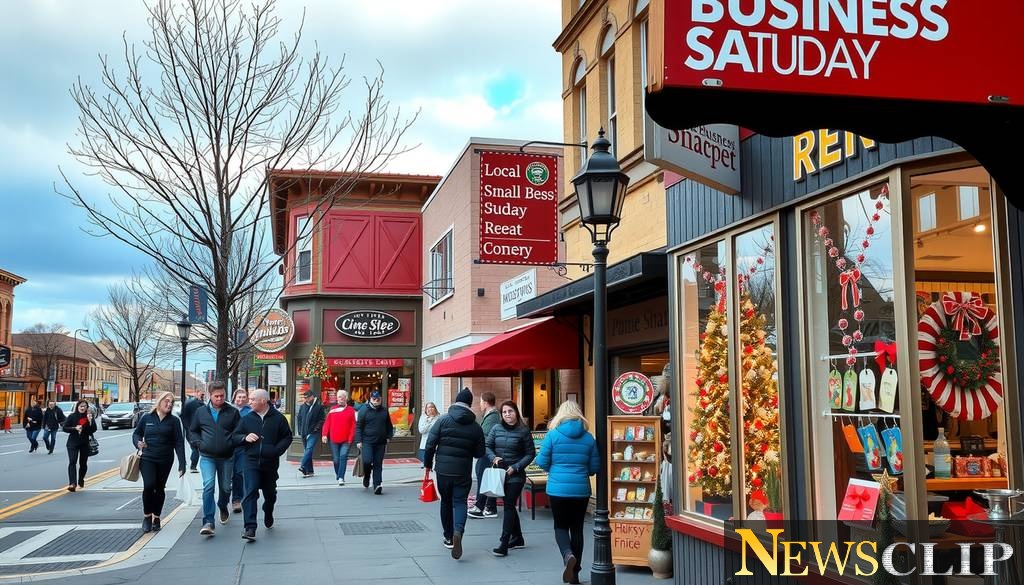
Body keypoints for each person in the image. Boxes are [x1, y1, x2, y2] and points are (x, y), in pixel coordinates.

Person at [535, 401, 600, 584]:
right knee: (577, 529)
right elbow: (594, 467)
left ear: (560, 415)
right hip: (580, 490)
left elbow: (541, 461)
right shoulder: (588, 438)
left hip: (557, 489)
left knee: (560, 526)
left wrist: (554, 469)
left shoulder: (553, 435)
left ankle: (567, 555)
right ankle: (575, 574)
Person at [424, 388, 485, 561]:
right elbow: (480, 453)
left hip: (443, 470)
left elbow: (430, 445)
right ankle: (459, 531)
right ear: (470, 404)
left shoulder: (443, 420)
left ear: (456, 401)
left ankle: (449, 537)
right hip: (462, 471)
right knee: (460, 502)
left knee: (446, 502)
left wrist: (428, 464)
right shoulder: (475, 426)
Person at [233, 389, 292, 542]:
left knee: (270, 493)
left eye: (252, 399)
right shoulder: (246, 418)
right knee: (250, 491)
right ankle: (250, 528)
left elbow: (287, 437)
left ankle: (268, 510)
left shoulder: (278, 418)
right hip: (250, 461)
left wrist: (275, 450)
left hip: (270, 462)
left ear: (263, 401)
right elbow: (235, 436)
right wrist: (245, 437)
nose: (249, 401)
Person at [188, 381, 242, 536]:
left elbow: (238, 431)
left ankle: (223, 505)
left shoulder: (232, 412)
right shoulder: (201, 412)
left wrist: (231, 442)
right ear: (210, 395)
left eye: (222, 396)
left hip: (226, 456)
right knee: (209, 486)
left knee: (225, 488)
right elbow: (193, 431)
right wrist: (198, 442)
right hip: (207, 456)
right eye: (216, 396)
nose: (220, 398)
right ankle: (208, 521)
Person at [485, 401, 536, 557]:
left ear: (516, 412)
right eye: (505, 412)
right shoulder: (496, 428)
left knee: (508, 505)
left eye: (510, 411)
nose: (507, 414)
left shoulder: (523, 431)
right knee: (510, 507)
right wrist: (493, 457)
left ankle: (504, 543)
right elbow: (487, 446)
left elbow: (530, 453)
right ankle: (518, 538)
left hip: (516, 475)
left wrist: (516, 467)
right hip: (500, 474)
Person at [133, 392, 186, 533]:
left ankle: (156, 517)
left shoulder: (174, 421)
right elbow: (136, 433)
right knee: (149, 486)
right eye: (167, 401)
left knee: (160, 488)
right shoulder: (146, 418)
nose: (169, 404)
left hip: (165, 459)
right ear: (159, 401)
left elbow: (179, 443)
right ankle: (147, 516)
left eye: (172, 402)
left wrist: (182, 463)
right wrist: (137, 443)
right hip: (148, 458)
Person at [355, 390, 393, 495]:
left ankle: (377, 485)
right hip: (367, 442)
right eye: (374, 399)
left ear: (381, 399)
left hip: (381, 442)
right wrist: (358, 440)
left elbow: (389, 425)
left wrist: (389, 436)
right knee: (367, 461)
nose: (376, 401)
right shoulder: (364, 410)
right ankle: (367, 476)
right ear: (370, 399)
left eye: (378, 399)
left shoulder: (384, 411)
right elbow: (358, 427)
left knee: (378, 464)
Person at [468, 391, 500, 519]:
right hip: (487, 452)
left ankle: (480, 507)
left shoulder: (492, 416)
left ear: (485, 403)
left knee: (483, 479)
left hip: (487, 452)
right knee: (488, 479)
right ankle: (491, 508)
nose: (480, 404)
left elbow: (484, 435)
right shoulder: (490, 415)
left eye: (481, 402)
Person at [62, 400, 97, 492]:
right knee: (72, 462)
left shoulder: (88, 417)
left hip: (84, 443)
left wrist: (90, 422)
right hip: (72, 443)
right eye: (81, 406)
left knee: (83, 464)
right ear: (77, 407)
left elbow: (93, 430)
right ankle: (72, 483)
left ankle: (81, 479)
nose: (82, 408)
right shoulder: (72, 416)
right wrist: (75, 428)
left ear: (87, 408)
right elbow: (65, 428)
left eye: (84, 406)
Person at [322, 390, 356, 486]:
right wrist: (324, 434)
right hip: (334, 439)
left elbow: (353, 426)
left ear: (346, 398)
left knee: (343, 457)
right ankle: (338, 475)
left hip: (346, 440)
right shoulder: (332, 409)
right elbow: (327, 423)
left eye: (343, 397)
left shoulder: (351, 410)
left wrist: (350, 439)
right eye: (339, 397)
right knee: (336, 459)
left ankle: (341, 477)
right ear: (337, 398)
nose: (341, 399)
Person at [230, 388, 251, 513]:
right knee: (228, 476)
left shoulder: (250, 412)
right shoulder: (228, 411)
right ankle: (225, 498)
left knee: (239, 473)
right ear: (234, 398)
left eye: (244, 397)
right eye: (239, 397)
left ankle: (237, 500)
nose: (241, 399)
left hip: (242, 447)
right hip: (228, 447)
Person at [296, 389, 325, 478]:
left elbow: (321, 420)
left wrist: (316, 429)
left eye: (307, 397)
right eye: (304, 398)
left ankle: (303, 465)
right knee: (307, 452)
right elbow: (299, 419)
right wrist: (300, 430)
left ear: (312, 397)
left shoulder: (319, 407)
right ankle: (309, 471)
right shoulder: (302, 407)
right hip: (304, 433)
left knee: (309, 449)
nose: (306, 399)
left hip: (313, 433)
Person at [180, 391, 206, 473]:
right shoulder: (193, 404)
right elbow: (183, 416)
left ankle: (193, 465)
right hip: (193, 430)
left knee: (195, 448)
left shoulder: (202, 404)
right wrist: (188, 427)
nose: (203, 396)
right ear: (197, 393)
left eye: (203, 394)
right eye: (202, 394)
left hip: (194, 430)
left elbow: (183, 416)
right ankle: (193, 465)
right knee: (195, 447)